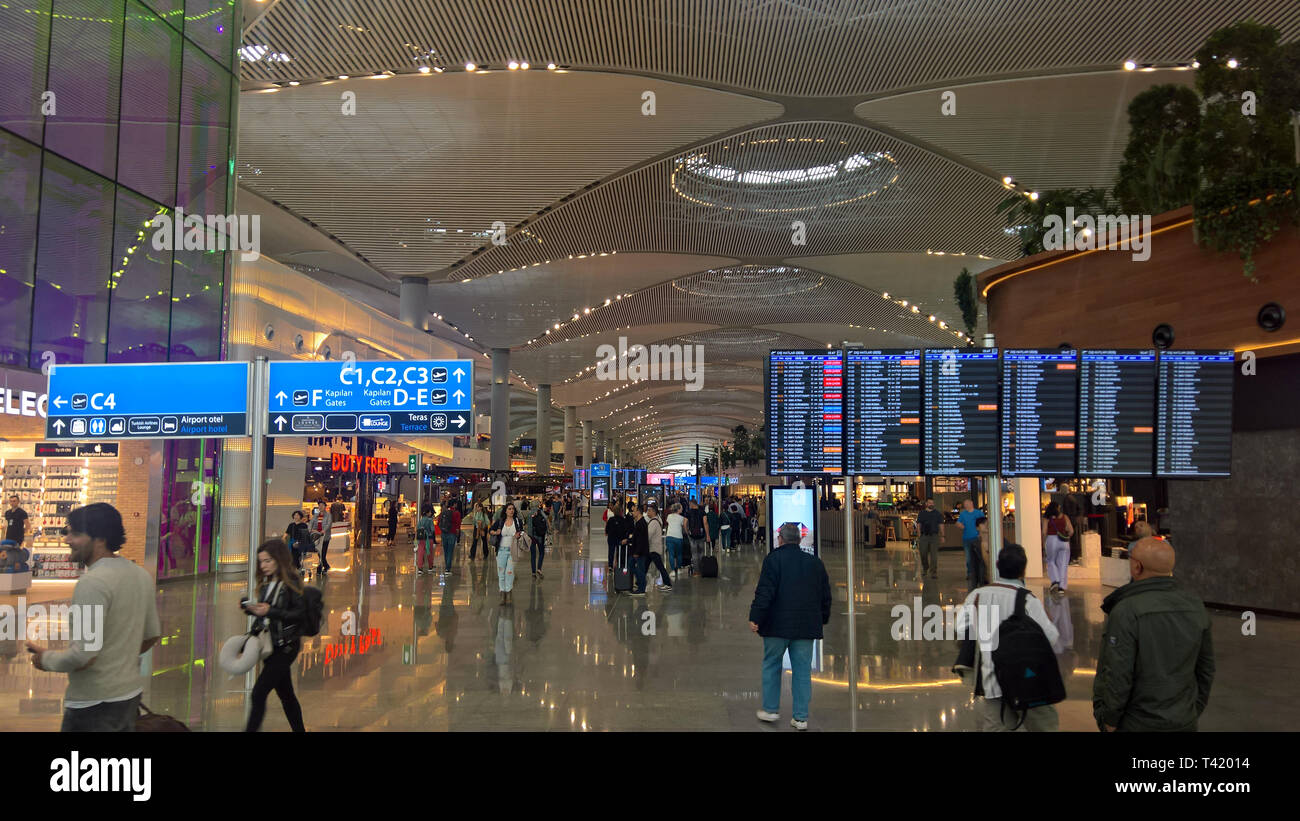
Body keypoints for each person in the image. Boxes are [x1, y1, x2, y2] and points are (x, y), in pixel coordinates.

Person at [26, 503, 161, 732]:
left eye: (76, 534)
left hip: (93, 704)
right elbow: (151, 635)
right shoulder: (139, 575)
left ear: (100, 539)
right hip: (128, 696)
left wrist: (45, 660)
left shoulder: (92, 583)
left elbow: (83, 656)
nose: (67, 540)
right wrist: (117, 657)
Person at [1093, 537, 1214, 732]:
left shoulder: (1126, 611)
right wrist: (1192, 710)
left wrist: (1110, 719)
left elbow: (1118, 673)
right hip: (1184, 721)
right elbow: (1206, 669)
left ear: (1137, 567)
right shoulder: (1195, 606)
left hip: (1136, 723)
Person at [956, 543, 1060, 732]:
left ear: (997, 565)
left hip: (993, 682)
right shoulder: (1028, 600)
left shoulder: (977, 596)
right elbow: (1051, 637)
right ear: (1024, 570)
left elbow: (961, 629)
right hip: (1028, 681)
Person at [749, 522, 832, 731]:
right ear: (799, 539)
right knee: (802, 670)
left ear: (780, 539)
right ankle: (801, 717)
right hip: (806, 625)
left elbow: (765, 592)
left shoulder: (773, 560)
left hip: (776, 624)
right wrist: (822, 617)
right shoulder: (815, 563)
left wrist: (756, 617)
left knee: (771, 664)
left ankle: (770, 709)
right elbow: (825, 595)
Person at [241, 538, 307, 732]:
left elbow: (299, 615)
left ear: (279, 559)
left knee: (258, 693)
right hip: (271, 645)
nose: (264, 566)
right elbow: (266, 615)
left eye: (268, 560)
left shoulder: (292, 582)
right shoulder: (267, 583)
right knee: (286, 695)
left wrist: (269, 611)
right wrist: (250, 609)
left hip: (286, 646)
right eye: (261, 562)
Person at [490, 502, 521, 604]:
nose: (511, 511)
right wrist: (495, 532)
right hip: (501, 550)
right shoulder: (500, 521)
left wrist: (519, 534)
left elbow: (522, 532)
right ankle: (502, 593)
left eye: (512, 509)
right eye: (509, 509)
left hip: (513, 550)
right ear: (505, 511)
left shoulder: (517, 521)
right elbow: (490, 530)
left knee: (510, 572)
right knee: (501, 573)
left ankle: (508, 593)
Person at [1042, 501, 1073, 596]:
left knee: (1051, 561)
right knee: (1063, 564)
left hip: (1052, 540)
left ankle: (1055, 580)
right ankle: (1061, 588)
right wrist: (1066, 535)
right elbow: (1071, 530)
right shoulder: (1065, 517)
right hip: (1064, 541)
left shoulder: (1046, 518)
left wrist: (1044, 542)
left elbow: (1044, 531)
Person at [645, 501, 672, 591]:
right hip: (652, 548)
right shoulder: (655, 521)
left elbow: (648, 535)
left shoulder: (654, 522)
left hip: (654, 548)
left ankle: (668, 583)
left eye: (649, 511)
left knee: (660, 566)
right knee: (646, 566)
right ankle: (639, 582)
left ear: (653, 512)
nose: (647, 512)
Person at [915, 498, 943, 579]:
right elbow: (919, 524)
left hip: (934, 536)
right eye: (930, 503)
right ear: (926, 504)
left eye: (932, 503)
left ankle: (933, 572)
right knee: (923, 553)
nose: (931, 504)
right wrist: (919, 534)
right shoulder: (922, 513)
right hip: (924, 536)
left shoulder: (937, 513)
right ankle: (925, 568)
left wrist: (942, 535)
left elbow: (941, 524)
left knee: (934, 555)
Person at [957, 499, 982, 590]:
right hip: (966, 538)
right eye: (964, 505)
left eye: (966, 504)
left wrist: (980, 533)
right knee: (968, 557)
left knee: (979, 556)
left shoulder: (978, 513)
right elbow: (958, 522)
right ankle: (970, 573)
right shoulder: (963, 514)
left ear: (971, 504)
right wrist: (960, 525)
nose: (965, 506)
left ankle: (979, 573)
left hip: (977, 538)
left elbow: (983, 523)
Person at [439, 497, 462, 575]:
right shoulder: (456, 513)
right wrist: (457, 531)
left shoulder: (444, 512)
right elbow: (458, 523)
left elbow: (439, 521)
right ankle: (448, 569)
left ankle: (446, 566)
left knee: (445, 551)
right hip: (452, 533)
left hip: (444, 533)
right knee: (450, 551)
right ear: (454, 504)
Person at [665, 503, 687, 576]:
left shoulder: (669, 516)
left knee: (671, 554)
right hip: (678, 537)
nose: (682, 509)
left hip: (669, 536)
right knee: (679, 554)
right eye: (681, 508)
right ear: (678, 509)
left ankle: (673, 571)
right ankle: (679, 568)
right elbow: (684, 527)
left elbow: (668, 524)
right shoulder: (682, 518)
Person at [415, 504, 436, 575]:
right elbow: (433, 530)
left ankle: (420, 568)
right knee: (429, 553)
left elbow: (417, 528)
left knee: (420, 553)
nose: (430, 513)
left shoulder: (420, 520)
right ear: (427, 513)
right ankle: (430, 567)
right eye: (430, 512)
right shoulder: (430, 520)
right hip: (429, 538)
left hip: (421, 539)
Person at [529, 502, 548, 580]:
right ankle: (539, 569)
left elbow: (527, 525)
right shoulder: (540, 511)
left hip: (531, 536)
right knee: (541, 552)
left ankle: (533, 572)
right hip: (540, 535)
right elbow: (546, 519)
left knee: (533, 555)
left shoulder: (529, 513)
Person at [312, 504, 333, 572]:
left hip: (325, 536)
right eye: (319, 506)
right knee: (319, 553)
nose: (320, 507)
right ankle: (325, 566)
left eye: (322, 506)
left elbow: (328, 524)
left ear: (325, 507)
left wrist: (323, 531)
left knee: (323, 553)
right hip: (318, 536)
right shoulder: (316, 516)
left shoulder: (328, 515)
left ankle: (321, 566)